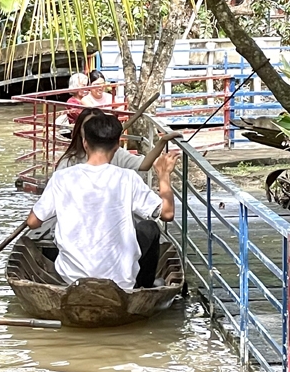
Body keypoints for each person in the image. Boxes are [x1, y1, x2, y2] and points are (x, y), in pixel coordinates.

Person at [25, 111, 178, 290]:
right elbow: (167, 213)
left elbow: (33, 223)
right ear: (116, 147)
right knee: (150, 228)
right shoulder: (128, 178)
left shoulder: (61, 178)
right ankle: (143, 286)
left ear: (84, 143)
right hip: (121, 282)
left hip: (70, 279)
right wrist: (164, 175)